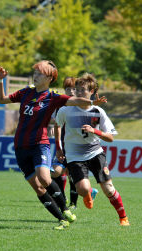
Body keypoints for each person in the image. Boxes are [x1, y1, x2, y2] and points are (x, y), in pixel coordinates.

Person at [0, 61, 107, 230]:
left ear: (49, 78)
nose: (36, 75)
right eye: (36, 72)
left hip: (40, 144)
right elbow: (2, 99)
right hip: (20, 146)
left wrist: (91, 102)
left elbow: (74, 100)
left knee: (45, 178)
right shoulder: (26, 92)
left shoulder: (53, 97)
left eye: (40, 73)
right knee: (38, 188)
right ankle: (62, 219)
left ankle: (65, 209)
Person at [55, 73, 130, 226]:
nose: (78, 92)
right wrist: (58, 147)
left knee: (108, 189)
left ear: (92, 92)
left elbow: (110, 138)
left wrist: (95, 131)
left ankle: (123, 218)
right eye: (77, 89)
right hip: (74, 155)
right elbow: (57, 125)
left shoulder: (98, 112)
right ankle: (88, 194)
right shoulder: (65, 110)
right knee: (82, 190)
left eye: (82, 90)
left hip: (95, 153)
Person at [51, 77, 98, 210]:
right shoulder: (61, 105)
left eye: (74, 89)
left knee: (72, 176)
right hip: (63, 145)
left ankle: (73, 204)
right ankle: (62, 198)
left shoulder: (82, 106)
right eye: (68, 89)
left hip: (76, 147)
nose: (71, 91)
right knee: (55, 171)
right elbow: (57, 122)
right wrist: (52, 128)